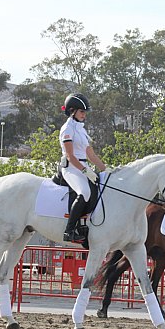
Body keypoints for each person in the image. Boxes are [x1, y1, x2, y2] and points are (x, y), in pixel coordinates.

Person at [59, 93, 106, 242]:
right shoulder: (67, 129)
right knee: (84, 192)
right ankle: (69, 230)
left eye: (85, 112)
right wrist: (86, 171)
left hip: (83, 166)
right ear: (72, 111)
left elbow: (91, 155)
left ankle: (84, 225)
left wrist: (106, 169)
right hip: (71, 168)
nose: (84, 115)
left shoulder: (81, 129)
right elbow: (70, 156)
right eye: (82, 112)